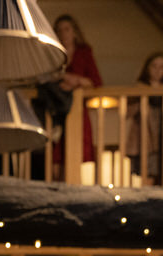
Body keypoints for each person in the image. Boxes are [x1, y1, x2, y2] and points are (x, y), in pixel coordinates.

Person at [50, 14, 102, 173]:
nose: (63, 33)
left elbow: (96, 83)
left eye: (67, 29)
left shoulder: (84, 53)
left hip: (78, 111)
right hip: (56, 111)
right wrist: (62, 78)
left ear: (74, 32)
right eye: (59, 30)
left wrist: (76, 80)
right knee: (55, 160)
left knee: (78, 155)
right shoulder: (52, 54)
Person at [126, 52, 163, 185]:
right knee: (148, 173)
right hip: (146, 138)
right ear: (147, 68)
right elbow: (128, 112)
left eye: (161, 67)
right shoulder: (138, 89)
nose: (157, 71)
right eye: (154, 66)